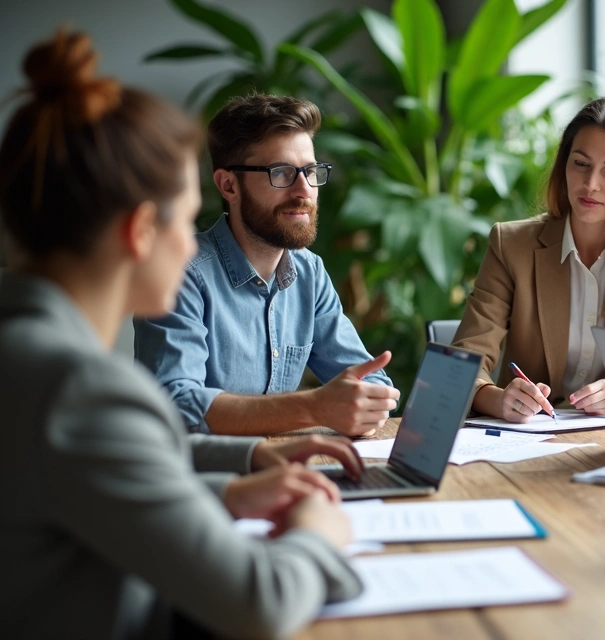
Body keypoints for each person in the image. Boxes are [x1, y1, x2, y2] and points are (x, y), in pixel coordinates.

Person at [0, 31, 366, 637]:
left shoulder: (29, 351)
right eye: (187, 216)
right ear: (142, 231)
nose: (191, 243)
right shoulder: (78, 388)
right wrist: (318, 534)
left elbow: (111, 462)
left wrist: (241, 472)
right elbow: (259, 603)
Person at [134, 94, 399, 437]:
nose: (304, 190)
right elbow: (176, 406)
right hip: (202, 470)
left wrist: (368, 401)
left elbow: (369, 380)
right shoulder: (180, 274)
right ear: (229, 185)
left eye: (310, 171)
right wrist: (314, 407)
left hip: (284, 462)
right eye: (282, 173)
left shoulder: (309, 273)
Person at [452, 97, 605, 423]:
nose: (590, 185)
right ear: (564, 164)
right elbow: (465, 358)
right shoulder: (511, 245)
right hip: (524, 438)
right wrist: (496, 399)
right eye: (580, 164)